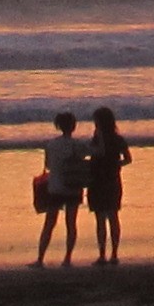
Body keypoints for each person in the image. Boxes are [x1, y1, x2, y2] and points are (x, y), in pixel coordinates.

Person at [82, 106, 135, 266]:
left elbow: (99, 154)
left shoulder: (100, 138)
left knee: (103, 218)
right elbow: (127, 159)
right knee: (111, 216)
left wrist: (111, 164)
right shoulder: (116, 139)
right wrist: (115, 164)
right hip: (109, 179)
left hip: (101, 180)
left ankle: (105, 254)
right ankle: (112, 254)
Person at [36, 111, 88, 269]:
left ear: (58, 126)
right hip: (73, 186)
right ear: (73, 126)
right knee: (71, 224)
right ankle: (67, 258)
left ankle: (40, 259)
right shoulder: (78, 144)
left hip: (55, 186)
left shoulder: (51, 144)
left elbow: (48, 166)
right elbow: (87, 156)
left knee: (49, 224)